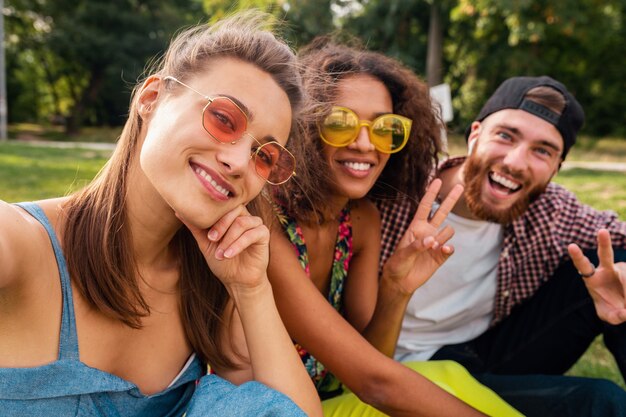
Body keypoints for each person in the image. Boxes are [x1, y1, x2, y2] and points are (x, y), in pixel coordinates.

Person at [0, 12, 323, 417]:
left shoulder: (210, 289)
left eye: (265, 155)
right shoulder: (22, 243)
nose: (240, 161)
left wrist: (251, 289)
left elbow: (288, 413)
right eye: (224, 119)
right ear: (150, 99)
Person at [256, 38, 521, 417]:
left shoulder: (361, 220)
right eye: (340, 123)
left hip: (333, 399)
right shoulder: (265, 218)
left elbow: (373, 359)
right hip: (273, 409)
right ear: (301, 125)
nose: (366, 144)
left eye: (385, 128)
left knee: (448, 372)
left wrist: (396, 289)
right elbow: (374, 383)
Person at [378, 75, 626, 417]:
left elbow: (619, 234)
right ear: (475, 134)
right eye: (506, 136)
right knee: (602, 402)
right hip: (387, 363)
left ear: (556, 168)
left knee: (618, 266)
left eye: (542, 151)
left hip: (484, 355)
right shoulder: (396, 194)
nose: (515, 162)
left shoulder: (550, 209)